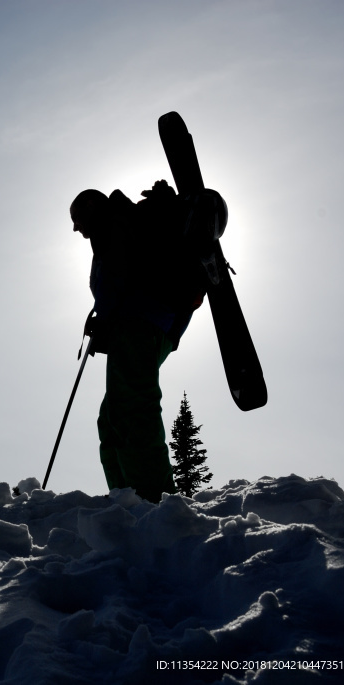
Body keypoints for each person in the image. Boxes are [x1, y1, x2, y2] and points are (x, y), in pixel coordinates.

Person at [70, 181, 205, 503]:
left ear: (91, 207)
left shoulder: (114, 222)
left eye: (77, 219)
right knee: (114, 414)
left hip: (139, 322)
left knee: (131, 406)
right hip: (151, 326)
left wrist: (102, 314)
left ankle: (152, 497)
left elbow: (116, 273)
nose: (78, 230)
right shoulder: (120, 221)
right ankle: (125, 498)